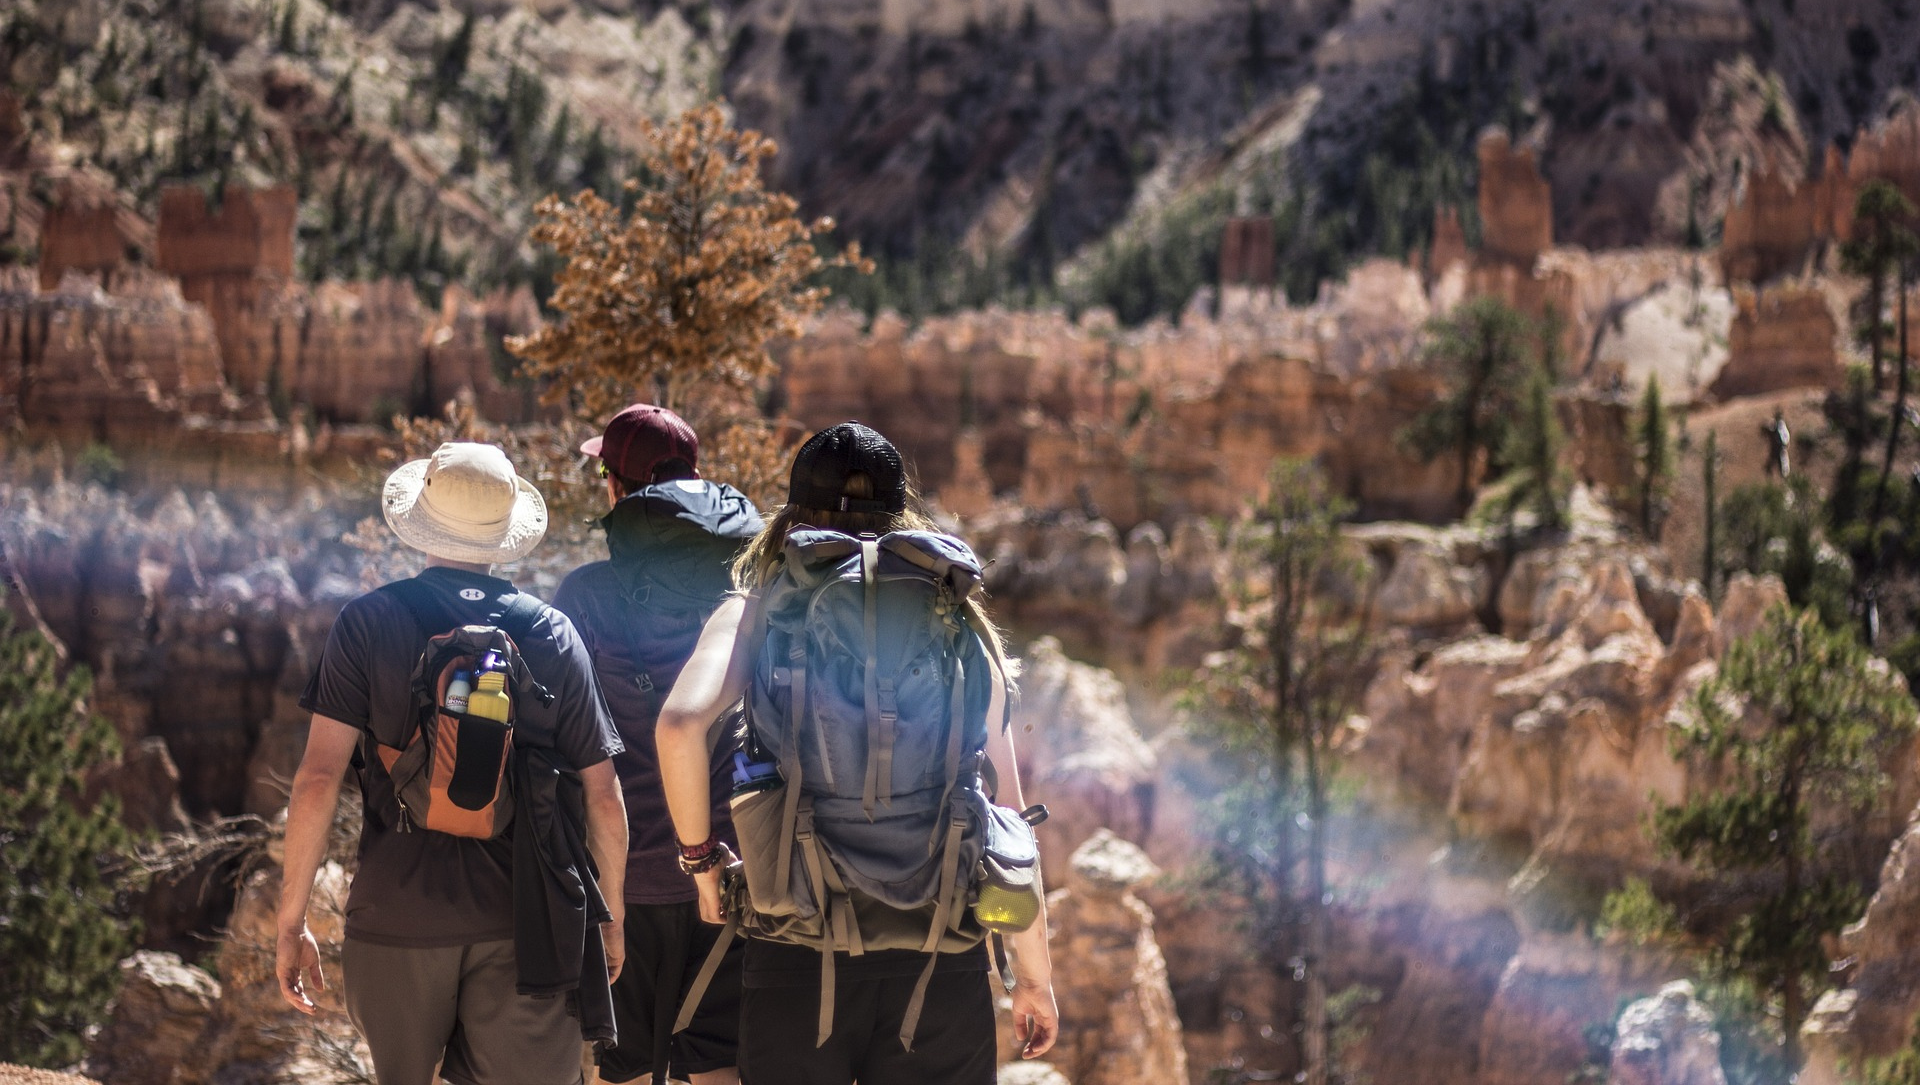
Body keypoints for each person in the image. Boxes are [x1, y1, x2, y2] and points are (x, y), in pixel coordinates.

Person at [654, 422, 1060, 1085]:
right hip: (940, 950)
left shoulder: (756, 608)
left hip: (797, 946)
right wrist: (1033, 976)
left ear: (792, 513)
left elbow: (678, 726)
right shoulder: (955, 615)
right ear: (902, 513)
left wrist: (703, 866)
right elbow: (1009, 816)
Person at [276, 441, 630, 1085]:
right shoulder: (553, 634)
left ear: (422, 522)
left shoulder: (366, 623)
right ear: (505, 533)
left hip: (395, 916)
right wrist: (614, 919)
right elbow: (603, 796)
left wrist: (291, 921)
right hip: (526, 927)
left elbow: (318, 779)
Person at [553, 405, 764, 1085]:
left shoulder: (585, 596)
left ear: (618, 488)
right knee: (720, 1063)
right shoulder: (746, 591)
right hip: (732, 869)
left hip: (626, 879)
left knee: (626, 1069)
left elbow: (559, 746)